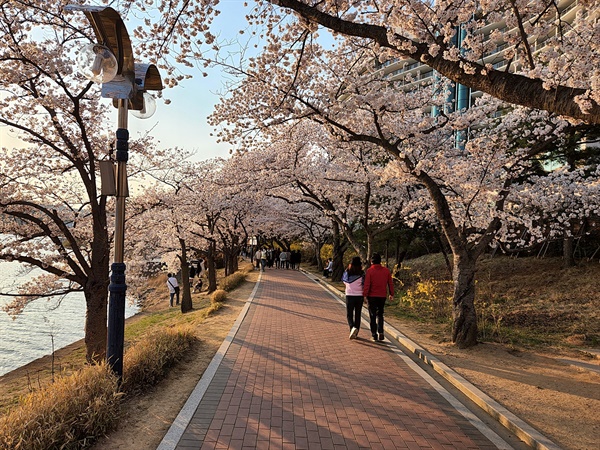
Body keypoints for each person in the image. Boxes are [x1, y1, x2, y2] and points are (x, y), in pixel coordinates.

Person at [363, 253, 394, 342]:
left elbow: (367, 284)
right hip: (382, 295)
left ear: (371, 261)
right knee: (380, 314)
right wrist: (391, 293)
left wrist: (365, 295)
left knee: (372, 315)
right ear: (380, 261)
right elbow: (390, 283)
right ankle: (381, 332)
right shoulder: (386, 271)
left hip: (371, 296)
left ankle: (374, 335)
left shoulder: (369, 271)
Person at [342, 257, 365, 340]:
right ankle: (356, 331)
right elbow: (364, 285)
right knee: (358, 314)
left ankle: (352, 328)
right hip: (359, 296)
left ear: (350, 264)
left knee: (349, 314)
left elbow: (344, 282)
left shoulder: (347, 273)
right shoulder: (362, 274)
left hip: (349, 295)